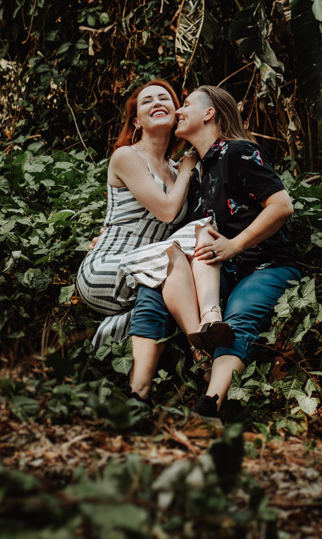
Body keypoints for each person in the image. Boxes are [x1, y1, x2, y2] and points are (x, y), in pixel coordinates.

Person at [177, 85, 303, 420]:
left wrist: (235, 244)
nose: (178, 110)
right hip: (218, 274)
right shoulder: (194, 173)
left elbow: (281, 206)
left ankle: (210, 404)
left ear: (209, 113)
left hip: (264, 264)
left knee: (240, 316)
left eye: (186, 104)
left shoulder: (239, 152)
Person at [75, 79, 209, 363]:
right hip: (108, 265)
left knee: (176, 295)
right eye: (147, 101)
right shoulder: (127, 156)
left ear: (176, 112)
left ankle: (107, 340)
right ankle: (201, 350)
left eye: (165, 98)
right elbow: (167, 212)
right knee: (174, 259)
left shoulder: (174, 169)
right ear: (136, 121)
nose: (157, 103)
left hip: (152, 267)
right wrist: (187, 170)